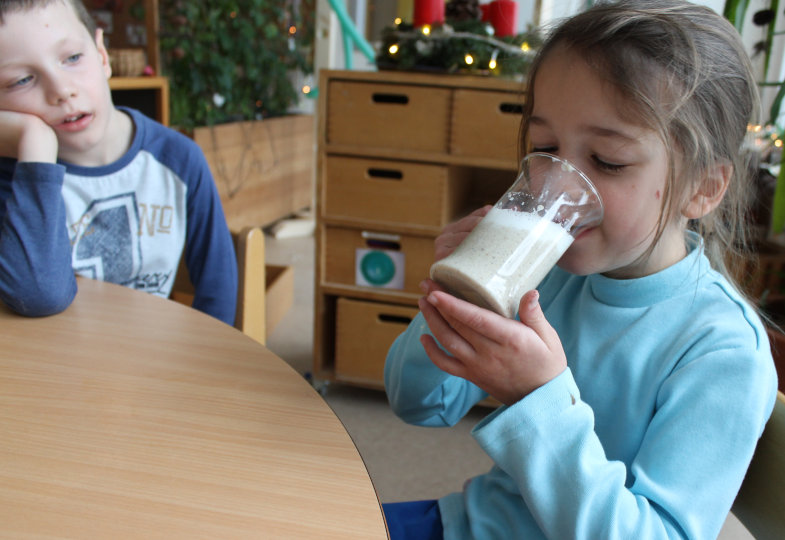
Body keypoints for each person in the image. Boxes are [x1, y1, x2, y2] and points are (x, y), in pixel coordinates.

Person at [383, 1, 779, 539]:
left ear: (702, 188)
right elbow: (416, 403)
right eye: (545, 148)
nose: (556, 187)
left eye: (607, 161)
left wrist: (536, 398)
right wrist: (455, 301)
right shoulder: (547, 272)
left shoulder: (722, 351)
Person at [0, 0, 237, 325]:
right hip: (53, 370)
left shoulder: (179, 160)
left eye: (72, 58)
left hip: (153, 362)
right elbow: (39, 295)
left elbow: (218, 291)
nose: (61, 90)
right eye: (22, 80)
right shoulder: (18, 179)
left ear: (102, 55)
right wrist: (34, 143)